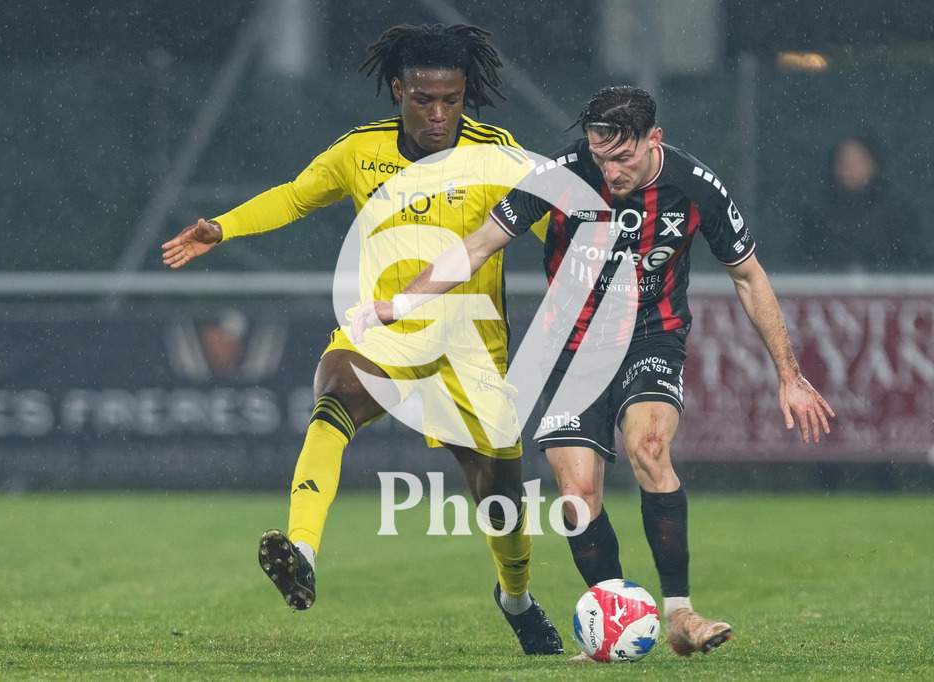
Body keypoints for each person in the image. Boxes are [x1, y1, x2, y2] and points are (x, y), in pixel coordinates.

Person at [352, 85, 835, 658]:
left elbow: (749, 277)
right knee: (577, 495)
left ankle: (679, 614)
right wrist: (400, 303)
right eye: (599, 155)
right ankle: (613, 617)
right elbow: (479, 243)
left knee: (651, 450)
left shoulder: (693, 186)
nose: (609, 170)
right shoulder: (560, 177)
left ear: (655, 139)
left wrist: (789, 373)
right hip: (570, 346)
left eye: (623, 157)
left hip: (651, 337)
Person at [160, 23, 563, 656]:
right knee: (334, 400)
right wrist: (223, 228)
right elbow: (296, 197)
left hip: (471, 353)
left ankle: (516, 597)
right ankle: (302, 552)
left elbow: (556, 227)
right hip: (383, 334)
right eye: (423, 100)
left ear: (467, 95)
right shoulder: (358, 152)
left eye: (452, 100)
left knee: (500, 502)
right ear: (397, 90)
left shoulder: (500, 155)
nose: (438, 115)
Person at [797, 133, 923, 271]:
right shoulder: (817, 212)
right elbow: (804, 262)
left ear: (873, 165)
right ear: (835, 168)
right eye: (845, 162)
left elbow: (912, 260)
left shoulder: (896, 210)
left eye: (858, 162)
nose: (851, 169)